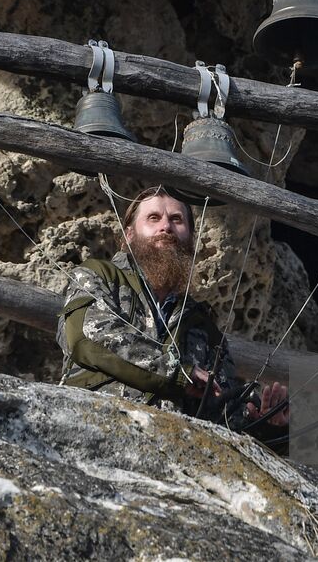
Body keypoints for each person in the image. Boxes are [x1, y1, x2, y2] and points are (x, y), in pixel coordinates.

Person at [56, 186, 290, 443]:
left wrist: (265, 423)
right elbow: (85, 338)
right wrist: (178, 373)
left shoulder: (203, 324)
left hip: (172, 452)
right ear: (128, 235)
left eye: (176, 219)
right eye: (153, 218)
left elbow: (222, 413)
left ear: (190, 239)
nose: (166, 227)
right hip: (92, 428)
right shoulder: (98, 275)